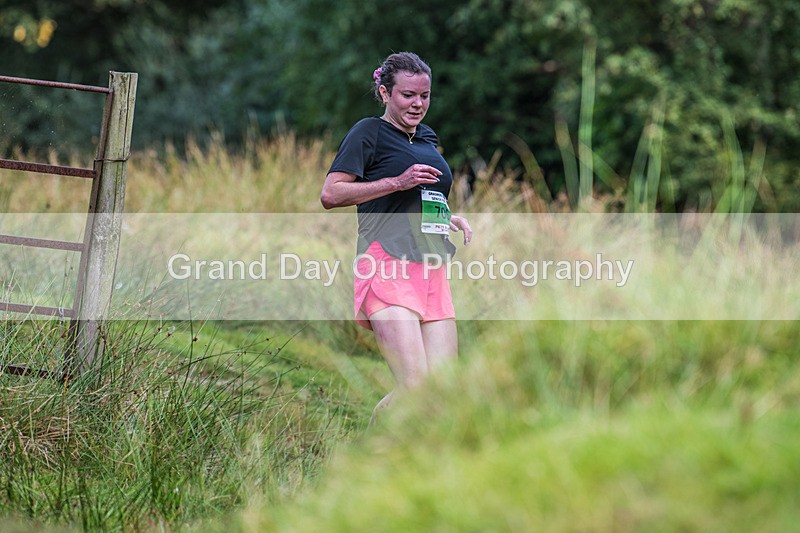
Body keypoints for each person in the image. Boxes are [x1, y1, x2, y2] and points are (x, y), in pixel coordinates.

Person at [320, 52, 472, 424]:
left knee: (440, 389)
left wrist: (447, 216)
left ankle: (406, 467)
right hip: (386, 264)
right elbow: (331, 194)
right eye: (408, 95)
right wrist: (396, 182)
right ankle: (370, 463)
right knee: (415, 386)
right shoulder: (368, 132)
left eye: (425, 95)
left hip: (431, 270)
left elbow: (418, 197)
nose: (418, 104)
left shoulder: (426, 139)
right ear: (385, 92)